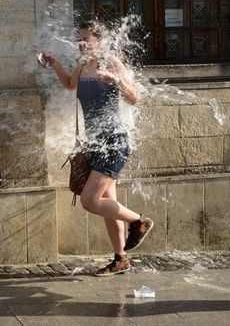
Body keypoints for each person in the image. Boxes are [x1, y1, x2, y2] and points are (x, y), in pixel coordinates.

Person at [38, 21, 153, 276]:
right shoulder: (82, 64)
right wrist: (55, 63)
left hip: (113, 142)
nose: (82, 43)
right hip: (94, 143)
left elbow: (134, 97)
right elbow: (70, 84)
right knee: (107, 202)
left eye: (87, 39)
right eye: (79, 39)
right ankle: (120, 259)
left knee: (90, 201)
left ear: (99, 40)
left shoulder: (111, 63)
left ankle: (139, 221)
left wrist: (115, 80)